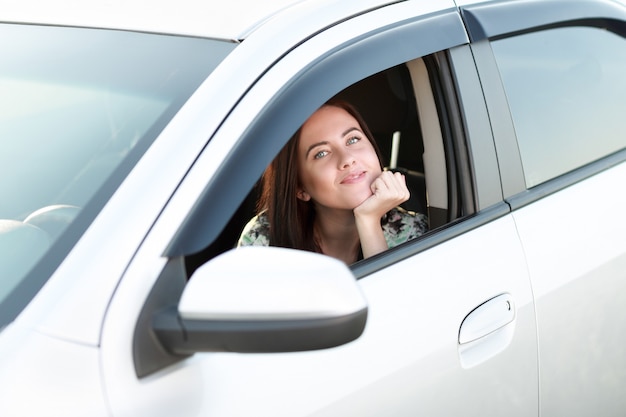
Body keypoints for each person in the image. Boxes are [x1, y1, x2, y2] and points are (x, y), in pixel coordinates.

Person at [237, 99, 428, 264]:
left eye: (353, 140)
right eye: (321, 153)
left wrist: (368, 221)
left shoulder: (414, 232)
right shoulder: (262, 241)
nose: (347, 159)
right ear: (299, 187)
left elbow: (393, 305)